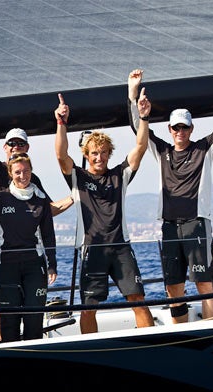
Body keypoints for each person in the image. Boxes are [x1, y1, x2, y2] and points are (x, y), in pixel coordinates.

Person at [127, 68, 213, 323]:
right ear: (169, 129)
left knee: (204, 284)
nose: (180, 131)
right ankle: (180, 331)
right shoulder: (162, 151)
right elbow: (138, 129)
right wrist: (133, 97)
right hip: (169, 226)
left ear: (191, 128)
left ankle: (210, 329)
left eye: (184, 127)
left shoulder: (203, 149)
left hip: (196, 224)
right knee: (174, 287)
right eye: (176, 127)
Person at [0, 99, 73, 341]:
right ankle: (2, 348)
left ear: (27, 147)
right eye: (11, 144)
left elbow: (47, 211)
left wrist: (76, 197)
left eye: (20, 143)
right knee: (5, 310)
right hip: (1, 250)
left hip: (29, 255)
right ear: (5, 148)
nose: (16, 147)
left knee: (29, 312)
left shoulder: (32, 177)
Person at [54, 90, 154, 332]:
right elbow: (60, 154)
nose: (99, 157)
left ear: (110, 154)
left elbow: (141, 146)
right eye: (94, 153)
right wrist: (60, 122)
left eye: (104, 152)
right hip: (92, 249)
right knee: (89, 306)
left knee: (138, 300)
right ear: (86, 156)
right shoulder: (78, 177)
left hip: (121, 247)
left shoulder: (120, 175)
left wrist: (144, 117)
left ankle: (151, 341)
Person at [0, 153, 57, 342]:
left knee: (34, 319)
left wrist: (52, 265)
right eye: (17, 172)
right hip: (5, 265)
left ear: (32, 172)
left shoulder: (41, 200)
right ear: (10, 173)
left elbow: (48, 235)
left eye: (26, 171)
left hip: (34, 265)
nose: (22, 176)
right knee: (10, 321)